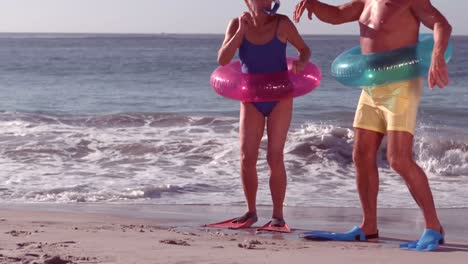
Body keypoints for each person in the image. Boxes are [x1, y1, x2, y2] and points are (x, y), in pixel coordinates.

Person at [294, 0, 452, 251]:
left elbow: (441, 24)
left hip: (401, 87)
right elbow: (336, 15)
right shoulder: (366, 1)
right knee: (361, 154)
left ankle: (434, 227)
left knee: (398, 158)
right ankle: (368, 227)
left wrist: (436, 55)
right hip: (371, 88)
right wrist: (313, 3)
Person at [207, 0, 310, 231]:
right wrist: (240, 33)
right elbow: (223, 60)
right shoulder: (236, 24)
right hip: (252, 99)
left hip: (280, 97)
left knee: (275, 156)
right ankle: (250, 212)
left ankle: (278, 217)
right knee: (246, 156)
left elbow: (304, 49)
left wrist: (302, 61)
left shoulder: (281, 24)